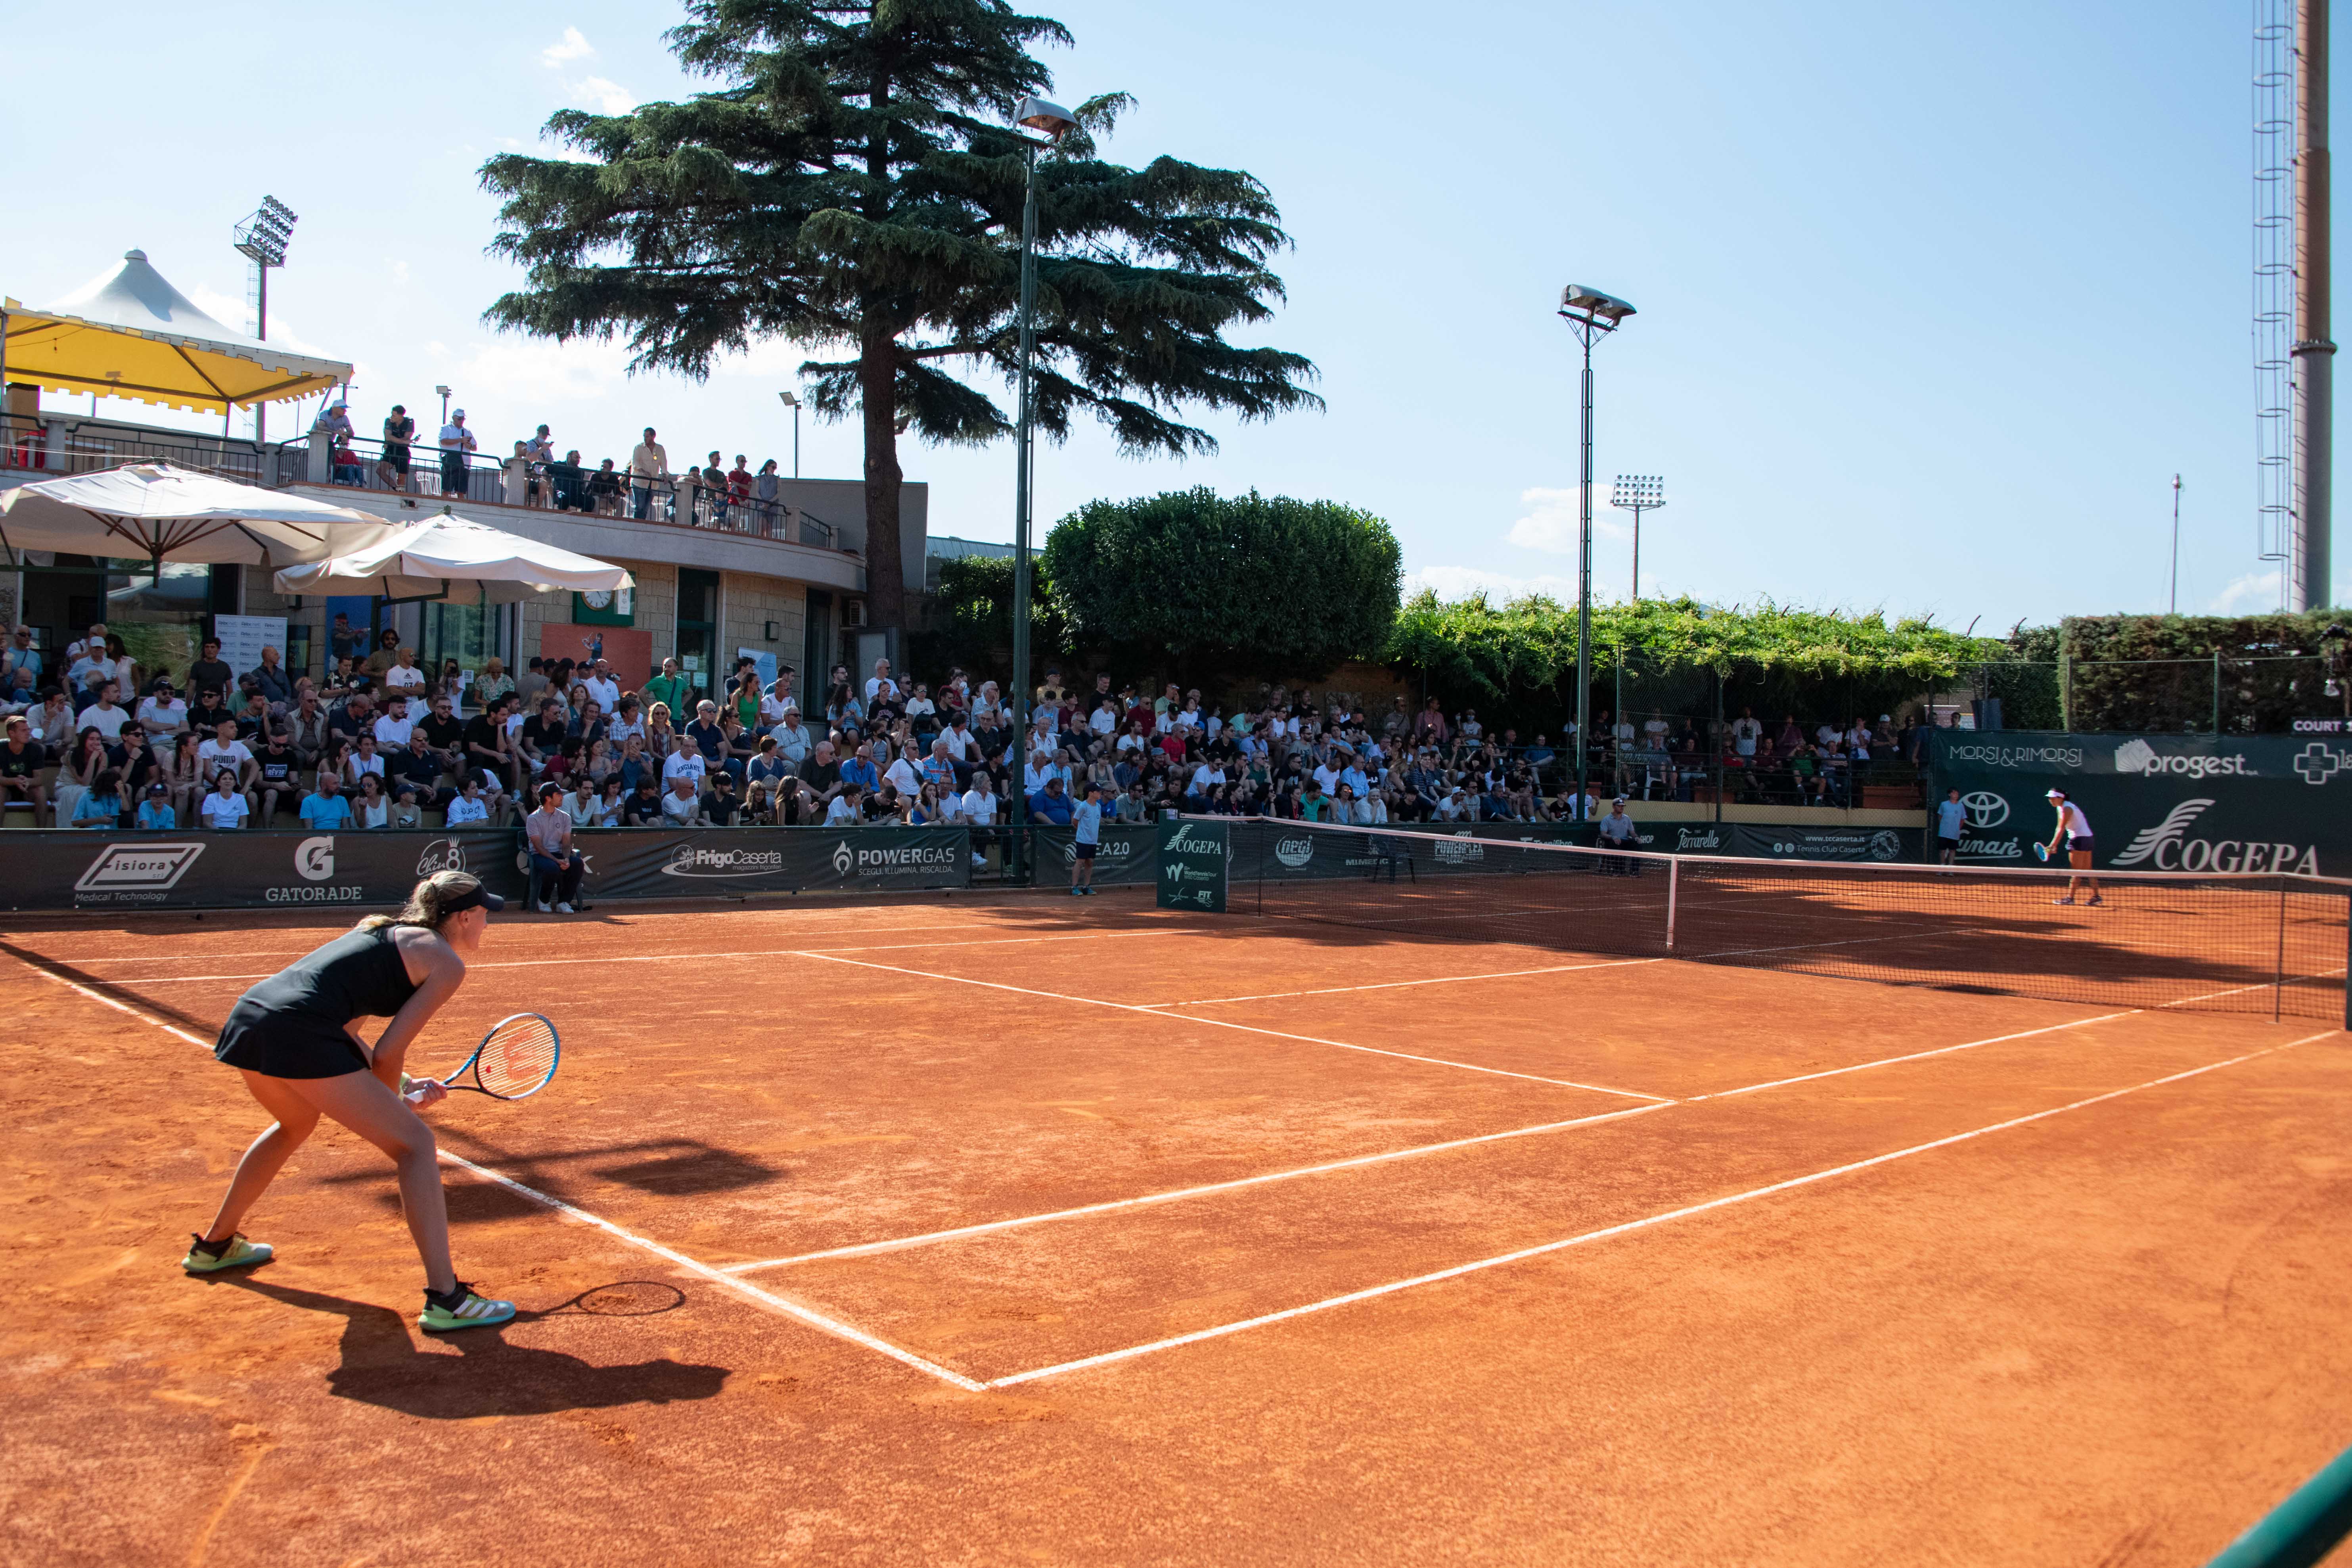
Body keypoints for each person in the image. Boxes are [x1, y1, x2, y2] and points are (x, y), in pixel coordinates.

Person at [186, 871, 516, 1331]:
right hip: (296, 1031)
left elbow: (348, 1031)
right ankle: (447, 1298)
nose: (487, 924)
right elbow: (384, 1051)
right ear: (463, 917)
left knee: (295, 1123)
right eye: (483, 915)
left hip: (253, 1018)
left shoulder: (381, 933)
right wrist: (396, 1103)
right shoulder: (445, 962)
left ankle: (215, 1245)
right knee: (415, 1146)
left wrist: (399, 1085)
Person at [526, 782, 584, 913]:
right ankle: (544, 900)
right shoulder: (533, 819)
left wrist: (567, 859)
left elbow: (566, 843)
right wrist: (557, 861)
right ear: (548, 798)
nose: (562, 797)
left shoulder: (565, 817)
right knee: (553, 868)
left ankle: (564, 902)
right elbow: (539, 847)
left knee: (577, 864)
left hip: (559, 854)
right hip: (539, 855)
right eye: (558, 795)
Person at [2042, 789, 2102, 907]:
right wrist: (2054, 845)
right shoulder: (2064, 807)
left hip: (2079, 840)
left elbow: (2061, 828)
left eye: (2053, 798)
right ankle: (2096, 897)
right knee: (2088, 870)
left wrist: (2053, 846)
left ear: (2061, 798)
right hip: (2088, 838)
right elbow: (2060, 828)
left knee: (2076, 872)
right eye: (2049, 798)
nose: (2050, 800)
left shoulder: (2067, 809)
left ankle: (2070, 898)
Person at [0, 714, 48, 825]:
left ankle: (43, 833)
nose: (28, 733)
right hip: (7, 791)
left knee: (40, 790)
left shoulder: (36, 749)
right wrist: (15, 781)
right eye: (23, 730)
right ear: (12, 733)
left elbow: (40, 779)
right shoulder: (1, 748)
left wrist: (27, 781)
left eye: (28, 730)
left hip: (28, 790)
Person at [1069, 779, 1105, 896]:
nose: (1101, 794)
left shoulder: (1098, 807)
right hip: (1083, 840)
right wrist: (1082, 832)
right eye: (1098, 792)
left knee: (1090, 862)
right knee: (1080, 862)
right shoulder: (1083, 806)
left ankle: (1086, 887)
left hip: (1093, 840)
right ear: (1091, 793)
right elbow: (1075, 821)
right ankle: (1074, 887)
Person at [628, 427, 668, 520]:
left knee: (646, 509)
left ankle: (642, 526)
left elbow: (664, 463)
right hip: (639, 482)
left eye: (647, 437)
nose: (645, 439)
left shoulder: (660, 449)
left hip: (652, 484)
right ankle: (636, 526)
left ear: (653, 436)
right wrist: (644, 472)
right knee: (640, 507)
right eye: (644, 436)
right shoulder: (638, 448)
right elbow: (635, 463)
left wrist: (665, 475)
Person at [438, 408, 477, 498]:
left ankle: (461, 509)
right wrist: (460, 440)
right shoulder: (446, 429)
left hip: (465, 463)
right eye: (459, 419)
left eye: (463, 419)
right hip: (450, 461)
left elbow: (475, 447)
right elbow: (443, 442)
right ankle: (445, 508)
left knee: (461, 491)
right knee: (447, 489)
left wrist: (469, 446)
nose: (461, 421)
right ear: (454, 418)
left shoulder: (467, 432)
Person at [1934, 788, 1969, 867]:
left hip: (1954, 833)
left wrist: (1957, 828)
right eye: (1954, 794)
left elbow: (1963, 819)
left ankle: (1950, 869)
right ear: (1949, 794)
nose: (1956, 795)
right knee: (1942, 850)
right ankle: (1942, 868)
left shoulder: (1961, 806)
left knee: (1953, 850)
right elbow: (1940, 816)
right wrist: (1944, 826)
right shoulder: (1944, 804)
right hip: (1943, 833)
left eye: (1957, 794)